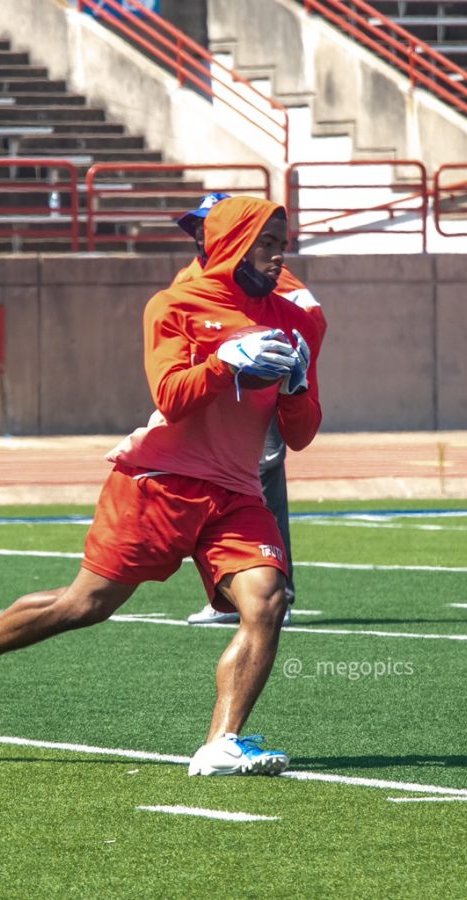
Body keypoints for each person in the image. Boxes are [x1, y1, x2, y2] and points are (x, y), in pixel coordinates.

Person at [0, 196, 322, 777]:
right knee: (85, 605)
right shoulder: (175, 305)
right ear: (234, 242)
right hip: (160, 483)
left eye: (283, 242)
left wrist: (298, 387)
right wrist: (224, 364)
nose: (279, 253)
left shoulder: (295, 318)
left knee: (268, 601)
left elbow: (302, 434)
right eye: (267, 241)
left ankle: (221, 743)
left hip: (236, 492)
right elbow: (171, 397)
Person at [174, 192, 328, 627]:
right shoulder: (190, 276)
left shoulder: (266, 274)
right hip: (211, 401)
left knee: (257, 478)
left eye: (208, 223)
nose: (201, 233)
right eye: (197, 226)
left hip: (256, 393)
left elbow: (308, 316)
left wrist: (288, 369)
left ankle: (273, 591)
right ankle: (229, 588)